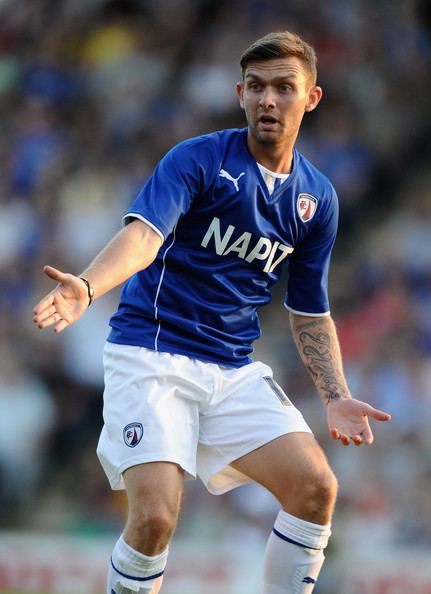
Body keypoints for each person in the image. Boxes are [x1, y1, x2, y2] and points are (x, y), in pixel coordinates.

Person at [33, 31, 391, 594]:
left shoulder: (317, 198)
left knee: (316, 487)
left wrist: (335, 394)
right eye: (257, 87)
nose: (269, 99)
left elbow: (308, 308)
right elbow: (145, 238)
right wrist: (87, 285)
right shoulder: (198, 159)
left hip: (232, 368)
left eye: (283, 87)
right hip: (151, 354)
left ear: (312, 98)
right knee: (154, 519)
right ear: (240, 94)